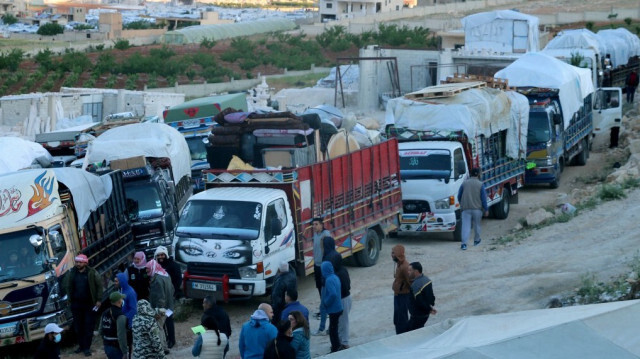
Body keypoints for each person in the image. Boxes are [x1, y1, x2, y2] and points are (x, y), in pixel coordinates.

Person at [63, 253, 103, 357]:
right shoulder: (72, 273)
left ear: (85, 263)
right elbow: (68, 286)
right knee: (78, 327)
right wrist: (69, 298)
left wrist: (99, 300)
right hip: (76, 305)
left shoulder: (92, 273)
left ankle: (86, 348)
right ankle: (81, 346)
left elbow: (99, 286)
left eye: (80, 262)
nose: (78, 264)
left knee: (88, 327)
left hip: (89, 305)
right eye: (76, 262)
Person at [322, 236, 351, 349]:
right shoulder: (342, 271)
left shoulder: (334, 276)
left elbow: (335, 292)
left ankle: (344, 343)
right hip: (345, 298)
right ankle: (341, 342)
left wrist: (326, 302)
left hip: (343, 299)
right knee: (341, 323)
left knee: (343, 323)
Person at [146, 259, 175, 354]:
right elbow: (173, 289)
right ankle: (165, 346)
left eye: (148, 269)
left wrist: (158, 311)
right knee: (163, 327)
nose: (147, 271)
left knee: (159, 328)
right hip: (170, 307)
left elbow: (160, 297)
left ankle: (163, 348)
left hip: (162, 308)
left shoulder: (157, 280)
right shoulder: (166, 275)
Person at [457, 167, 488, 251]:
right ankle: (476, 240)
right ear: (478, 174)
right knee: (477, 225)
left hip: (465, 209)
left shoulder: (464, 183)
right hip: (477, 209)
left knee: (465, 226)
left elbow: (459, 196)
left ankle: (464, 244)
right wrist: (486, 209)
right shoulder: (480, 184)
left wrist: (462, 203)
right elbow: (483, 199)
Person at [321, 261, 343, 353]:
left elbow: (333, 294)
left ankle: (335, 348)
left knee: (332, 330)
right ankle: (337, 345)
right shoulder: (335, 277)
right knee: (334, 328)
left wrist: (326, 302)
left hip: (334, 309)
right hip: (338, 308)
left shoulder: (329, 280)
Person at [407, 262, 437, 331]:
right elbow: (431, 297)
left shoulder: (415, 285)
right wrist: (430, 308)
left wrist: (429, 309)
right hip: (425, 314)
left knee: (411, 333)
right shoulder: (427, 280)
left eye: (410, 270)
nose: (408, 272)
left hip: (417, 316)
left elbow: (420, 301)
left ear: (416, 271)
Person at [99, 292, 129, 359]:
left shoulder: (105, 312)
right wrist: (124, 352)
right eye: (121, 299)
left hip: (107, 346)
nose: (122, 300)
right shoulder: (120, 315)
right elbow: (121, 335)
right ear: (119, 301)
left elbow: (100, 330)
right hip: (116, 348)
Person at [310, 218, 331, 303]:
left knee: (325, 287)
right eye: (313, 224)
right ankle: (323, 305)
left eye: (316, 224)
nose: (314, 226)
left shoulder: (325, 234)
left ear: (321, 225)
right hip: (317, 265)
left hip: (323, 265)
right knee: (319, 286)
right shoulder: (316, 234)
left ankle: (327, 305)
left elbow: (328, 250)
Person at [391, 244, 411, 335]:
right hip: (397, 295)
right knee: (397, 318)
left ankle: (402, 336)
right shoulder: (399, 264)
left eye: (393, 253)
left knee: (402, 319)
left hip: (403, 296)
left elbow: (411, 282)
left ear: (398, 254)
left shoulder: (405, 267)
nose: (392, 255)